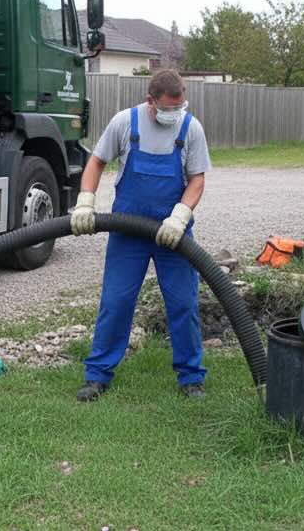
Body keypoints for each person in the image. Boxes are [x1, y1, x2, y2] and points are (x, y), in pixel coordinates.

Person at [70, 70, 212, 400]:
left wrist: (180, 215)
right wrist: (86, 200)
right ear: (151, 101)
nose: (175, 113)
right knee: (116, 302)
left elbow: (197, 179)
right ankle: (97, 375)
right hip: (128, 231)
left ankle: (191, 378)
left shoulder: (191, 128)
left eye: (180, 106)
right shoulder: (125, 122)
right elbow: (96, 161)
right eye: (168, 108)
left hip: (173, 232)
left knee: (183, 303)